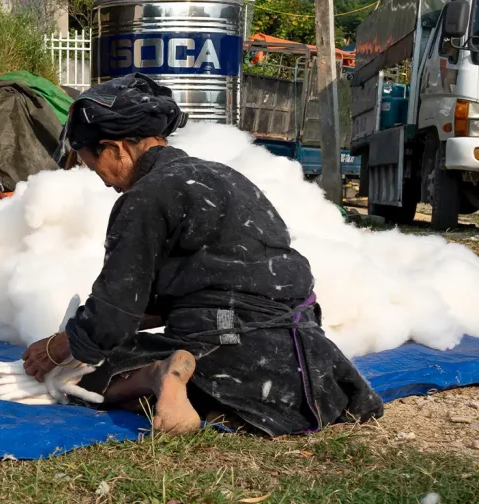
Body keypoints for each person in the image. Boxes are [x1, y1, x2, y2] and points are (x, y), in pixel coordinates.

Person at [23, 73, 383, 436]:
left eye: (92, 162)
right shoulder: (225, 176)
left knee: (80, 379)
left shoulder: (144, 198)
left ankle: (158, 375)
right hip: (303, 353)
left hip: (228, 343)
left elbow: (113, 316)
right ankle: (199, 395)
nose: (101, 179)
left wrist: (59, 347)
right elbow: (217, 279)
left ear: (116, 149)